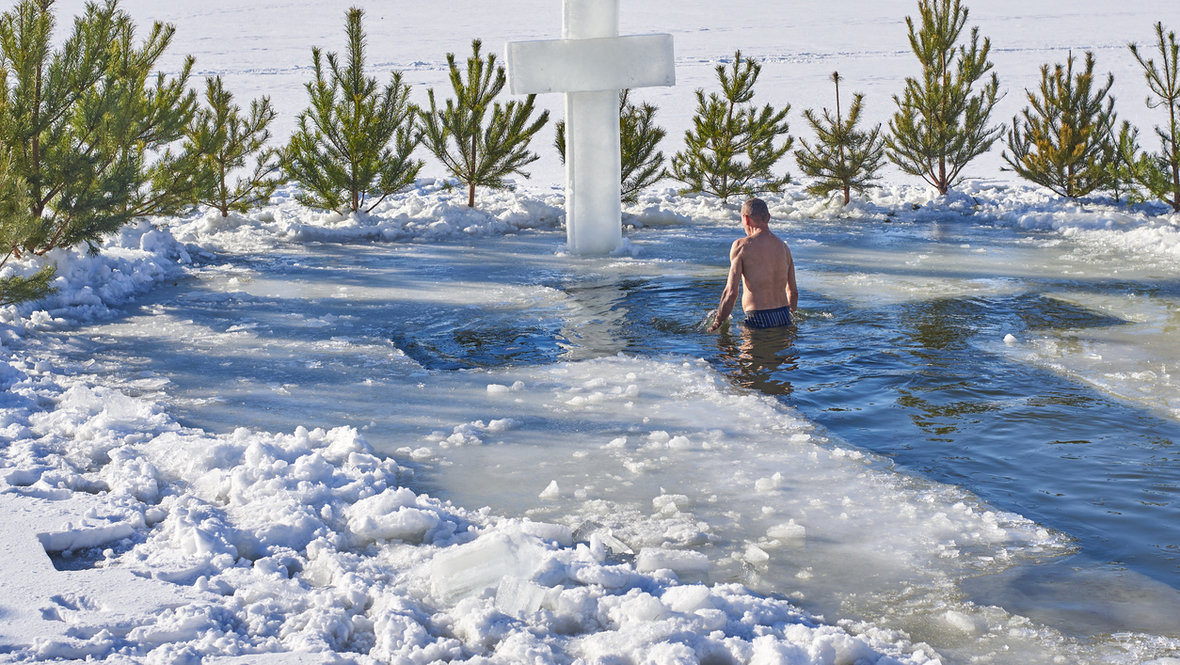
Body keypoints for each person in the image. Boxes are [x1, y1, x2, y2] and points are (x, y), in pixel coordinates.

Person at [708, 198, 797, 332]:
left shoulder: (741, 246)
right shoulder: (784, 247)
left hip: (758, 318)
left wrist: (717, 322)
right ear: (768, 217)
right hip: (783, 317)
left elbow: (731, 293)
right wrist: (789, 315)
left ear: (746, 219)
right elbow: (793, 292)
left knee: (736, 350)